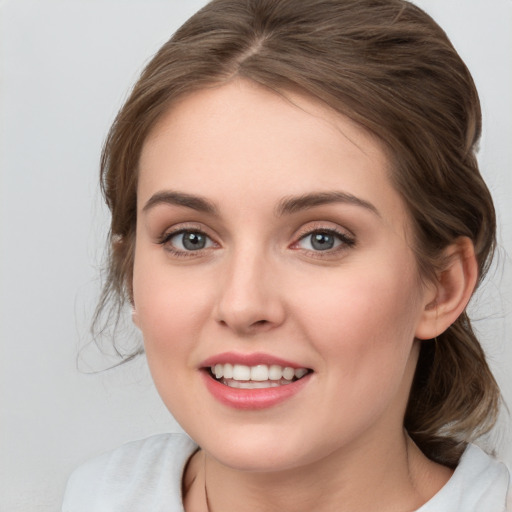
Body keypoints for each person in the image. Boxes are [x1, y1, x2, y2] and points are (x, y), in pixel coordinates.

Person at [62, 0, 511, 510]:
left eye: (323, 238)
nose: (242, 304)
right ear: (132, 275)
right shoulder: (93, 496)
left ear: (442, 287)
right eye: (190, 238)